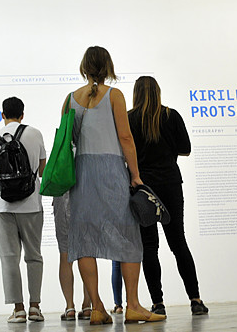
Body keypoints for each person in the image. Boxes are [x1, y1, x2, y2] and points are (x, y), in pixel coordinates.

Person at [63, 46, 165, 325]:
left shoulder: (70, 99)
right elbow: (126, 137)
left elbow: (68, 141)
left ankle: (97, 307)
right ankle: (133, 305)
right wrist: (135, 175)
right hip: (111, 172)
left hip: (82, 174)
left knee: (84, 239)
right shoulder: (114, 95)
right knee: (128, 236)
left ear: (84, 67)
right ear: (107, 67)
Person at [128, 76, 208, 316]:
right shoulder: (172, 116)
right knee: (178, 243)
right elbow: (186, 149)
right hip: (171, 183)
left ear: (136, 93)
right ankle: (195, 299)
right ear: (158, 92)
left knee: (149, 247)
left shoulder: (130, 118)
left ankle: (158, 304)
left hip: (143, 187)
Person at [0, 97, 47, 323]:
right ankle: (35, 307)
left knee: (9, 258)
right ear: (22, 114)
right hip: (31, 204)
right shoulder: (35, 133)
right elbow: (43, 171)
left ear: (2, 115)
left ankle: (18, 309)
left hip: (3, 206)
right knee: (34, 256)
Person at [52, 193, 92, 320]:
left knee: (65, 256)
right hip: (86, 200)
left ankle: (70, 307)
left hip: (62, 198)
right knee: (87, 254)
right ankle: (87, 306)